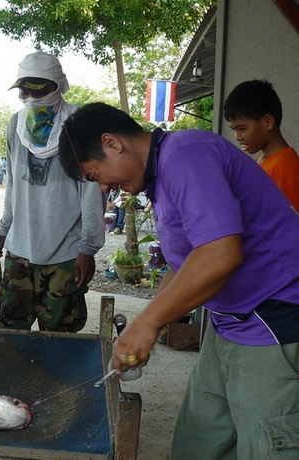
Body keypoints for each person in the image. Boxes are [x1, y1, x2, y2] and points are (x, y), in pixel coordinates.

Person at [58, 102, 299, 459]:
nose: (106, 188)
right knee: (198, 441)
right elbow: (184, 264)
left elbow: (220, 253)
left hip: (271, 320)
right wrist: (147, 320)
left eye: (98, 176)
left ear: (112, 142)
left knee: (267, 445)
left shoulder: (187, 154)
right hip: (229, 322)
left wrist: (150, 322)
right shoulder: (158, 177)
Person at [0, 51, 105, 333]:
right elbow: (13, 183)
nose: (30, 97)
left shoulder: (79, 123)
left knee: (60, 337)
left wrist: (87, 248)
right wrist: (3, 230)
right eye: (24, 90)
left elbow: (92, 190)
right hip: (18, 250)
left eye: (38, 89)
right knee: (10, 331)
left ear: (57, 85)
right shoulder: (15, 124)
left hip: (64, 254)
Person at [223, 79, 299, 211]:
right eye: (234, 130)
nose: (237, 137)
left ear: (268, 122)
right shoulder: (263, 158)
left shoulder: (286, 166)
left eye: (242, 129)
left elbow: (290, 225)